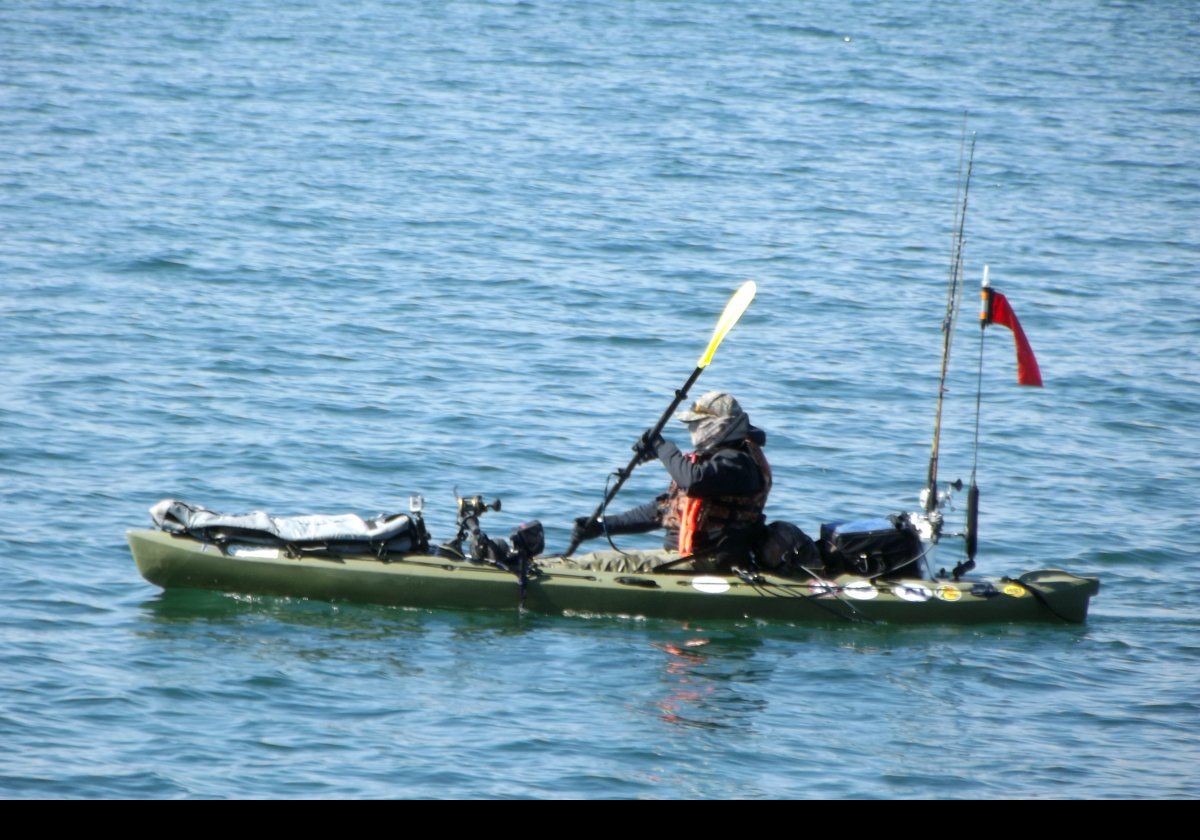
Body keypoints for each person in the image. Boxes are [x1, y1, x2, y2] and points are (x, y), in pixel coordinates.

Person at [568, 391, 772, 573]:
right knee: (594, 560)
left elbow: (692, 481)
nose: (693, 430)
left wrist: (661, 447)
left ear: (720, 425)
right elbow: (663, 511)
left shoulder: (738, 462)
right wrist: (602, 526)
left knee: (591, 563)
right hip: (684, 558)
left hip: (707, 561)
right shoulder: (715, 460)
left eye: (697, 424)